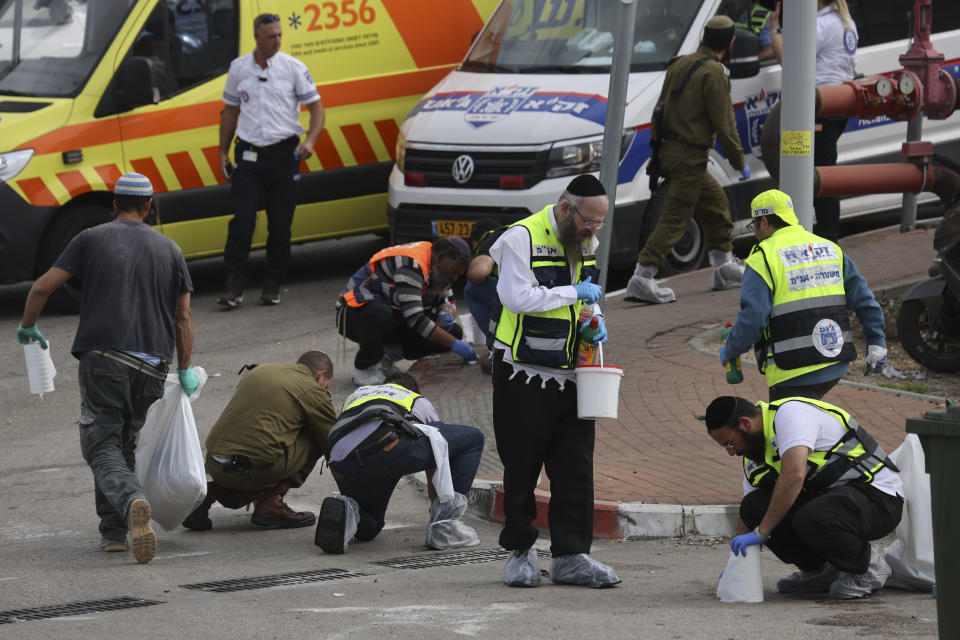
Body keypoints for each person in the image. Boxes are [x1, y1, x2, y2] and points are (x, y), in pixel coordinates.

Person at [16, 172, 196, 564]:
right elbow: (183, 317)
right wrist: (184, 369)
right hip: (151, 365)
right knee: (122, 444)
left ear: (114, 205)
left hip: (104, 359)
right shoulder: (170, 249)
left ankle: (133, 500)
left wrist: (29, 326)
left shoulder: (90, 238)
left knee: (100, 443)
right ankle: (114, 532)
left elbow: (42, 287)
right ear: (149, 207)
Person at [488, 174, 620, 589]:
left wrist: (594, 323)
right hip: (522, 373)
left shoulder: (584, 242)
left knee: (575, 468)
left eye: (599, 224)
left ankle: (571, 555)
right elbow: (516, 297)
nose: (593, 231)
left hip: (571, 372)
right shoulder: (521, 238)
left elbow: (589, 298)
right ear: (566, 208)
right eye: (589, 222)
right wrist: (571, 292)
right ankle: (520, 552)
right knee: (522, 465)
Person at [705, 395, 903, 599]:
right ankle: (823, 571)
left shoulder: (790, 415)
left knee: (811, 516)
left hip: (878, 498)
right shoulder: (754, 455)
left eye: (729, 443)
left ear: (745, 424)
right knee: (754, 507)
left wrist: (762, 533)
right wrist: (735, 566)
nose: (731, 453)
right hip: (833, 501)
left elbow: (794, 475)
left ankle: (867, 567)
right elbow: (749, 513)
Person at [626, 15, 749, 305]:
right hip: (689, 156)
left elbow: (660, 109)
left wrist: (658, 152)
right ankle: (642, 277)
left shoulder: (680, 63)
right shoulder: (714, 73)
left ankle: (723, 268)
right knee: (676, 217)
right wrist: (738, 160)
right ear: (730, 45)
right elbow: (724, 123)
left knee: (716, 204)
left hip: (670, 152)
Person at [719, 189, 887, 401]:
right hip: (835, 362)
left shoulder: (762, 259)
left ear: (763, 221)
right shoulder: (830, 249)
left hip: (792, 367)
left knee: (786, 429)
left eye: (754, 225)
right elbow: (865, 301)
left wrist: (729, 350)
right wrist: (877, 342)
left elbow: (752, 321)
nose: (755, 232)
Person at [217, 12, 325, 308]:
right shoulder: (239, 69)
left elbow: (317, 109)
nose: (277, 40)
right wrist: (222, 151)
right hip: (249, 154)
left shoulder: (292, 68)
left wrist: (310, 141)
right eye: (271, 36)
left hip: (284, 154)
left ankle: (273, 280)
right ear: (257, 38)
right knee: (242, 220)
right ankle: (234, 283)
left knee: (280, 225)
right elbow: (229, 112)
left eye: (279, 35)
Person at [315, 371, 485, 554]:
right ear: (413, 390)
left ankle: (348, 510)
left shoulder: (358, 395)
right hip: (387, 445)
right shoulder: (418, 401)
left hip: (341, 458)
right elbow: (438, 454)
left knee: (369, 527)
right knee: (473, 439)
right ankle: (445, 527)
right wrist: (438, 514)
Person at [182, 351, 336, 531]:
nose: (324, 390)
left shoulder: (260, 370)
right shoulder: (311, 388)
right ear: (320, 375)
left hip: (216, 462)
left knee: (256, 449)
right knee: (316, 433)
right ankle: (272, 502)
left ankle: (207, 495)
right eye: (326, 386)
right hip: (255, 467)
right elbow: (333, 440)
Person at [336, 237, 478, 386]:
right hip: (352, 315)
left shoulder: (440, 267)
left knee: (453, 332)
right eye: (453, 271)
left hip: (394, 315)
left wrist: (446, 313)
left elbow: (447, 300)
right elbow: (415, 318)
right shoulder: (410, 264)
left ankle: (386, 356)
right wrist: (455, 344)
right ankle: (365, 369)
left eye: (458, 274)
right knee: (380, 315)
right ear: (441, 258)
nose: (455, 278)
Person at [770, 0, 858, 241]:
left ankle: (828, 234)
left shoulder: (818, 25)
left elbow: (790, 60)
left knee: (820, 172)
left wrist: (774, 30)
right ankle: (826, 231)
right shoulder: (846, 22)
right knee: (822, 167)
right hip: (838, 104)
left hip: (819, 106)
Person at [464, 218, 507, 356]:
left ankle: (498, 346)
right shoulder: (514, 230)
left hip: (520, 294)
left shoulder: (489, 239)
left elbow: (479, 272)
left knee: (471, 289)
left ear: (474, 242)